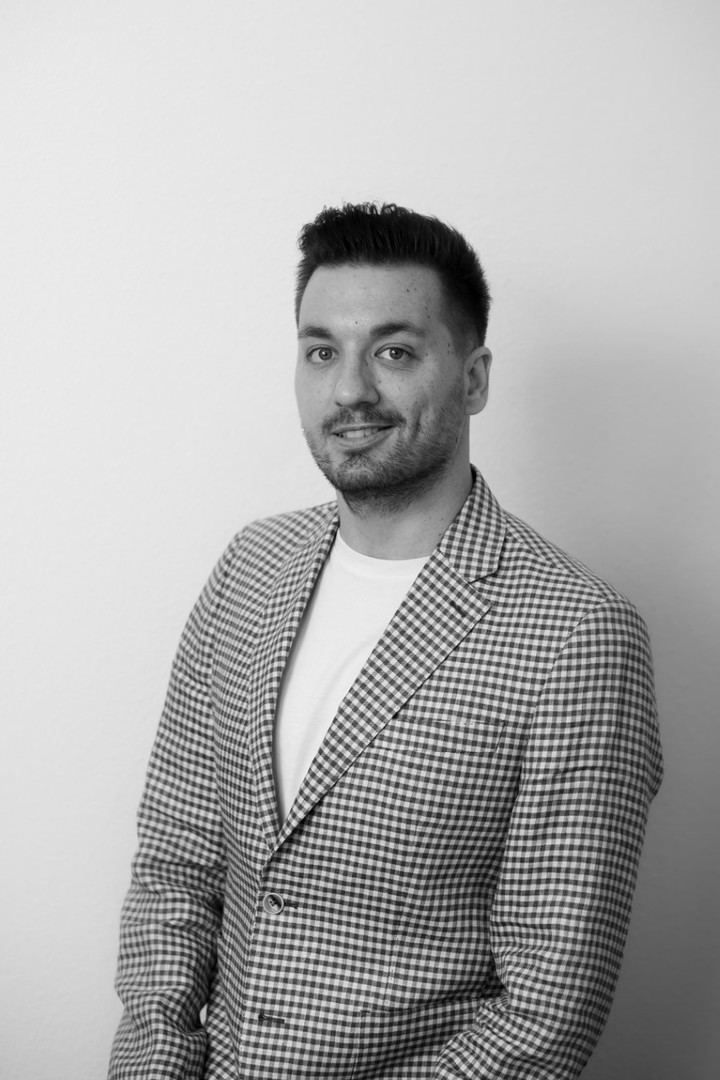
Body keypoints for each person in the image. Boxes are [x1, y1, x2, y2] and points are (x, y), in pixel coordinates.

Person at [109, 202, 663, 1079]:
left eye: (395, 352)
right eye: (321, 351)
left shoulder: (577, 634)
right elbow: (176, 863)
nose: (349, 391)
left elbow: (547, 1011)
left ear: (473, 379)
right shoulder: (251, 566)